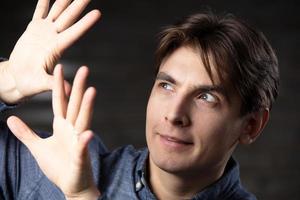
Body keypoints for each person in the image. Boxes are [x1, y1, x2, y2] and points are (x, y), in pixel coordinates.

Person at [0, 0, 279, 199]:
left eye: (206, 96)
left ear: (251, 125)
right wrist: (8, 79)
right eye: (167, 86)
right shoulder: (58, 168)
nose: (174, 114)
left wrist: (81, 196)